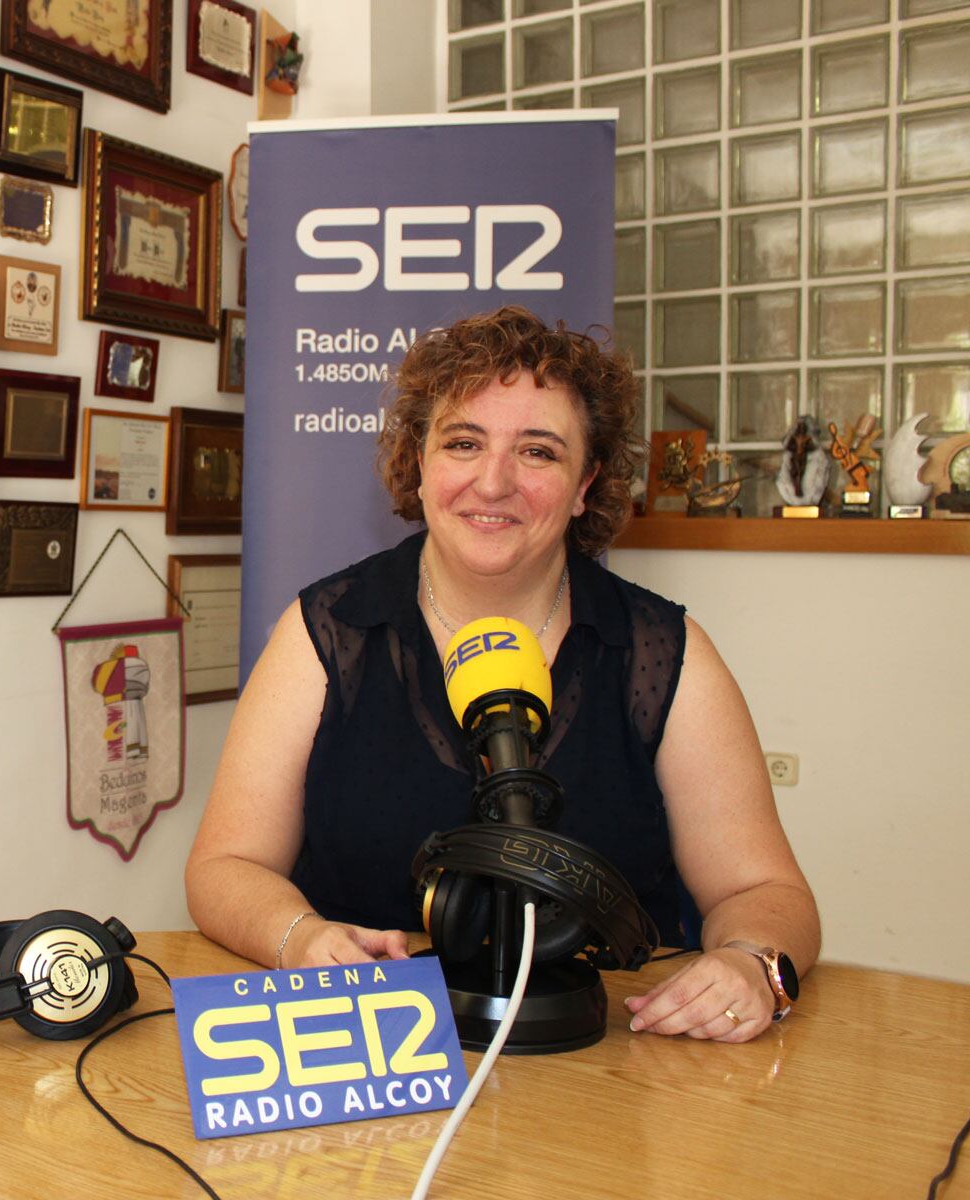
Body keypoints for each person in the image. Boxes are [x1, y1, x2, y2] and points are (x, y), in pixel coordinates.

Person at [185, 305, 819, 1044]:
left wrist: (751, 963)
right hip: (371, 1055)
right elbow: (225, 866)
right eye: (463, 443)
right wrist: (297, 937)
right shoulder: (327, 631)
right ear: (419, 464)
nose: (493, 482)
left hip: (609, 1065)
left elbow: (765, 889)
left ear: (585, 484)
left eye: (538, 452)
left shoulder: (660, 652)